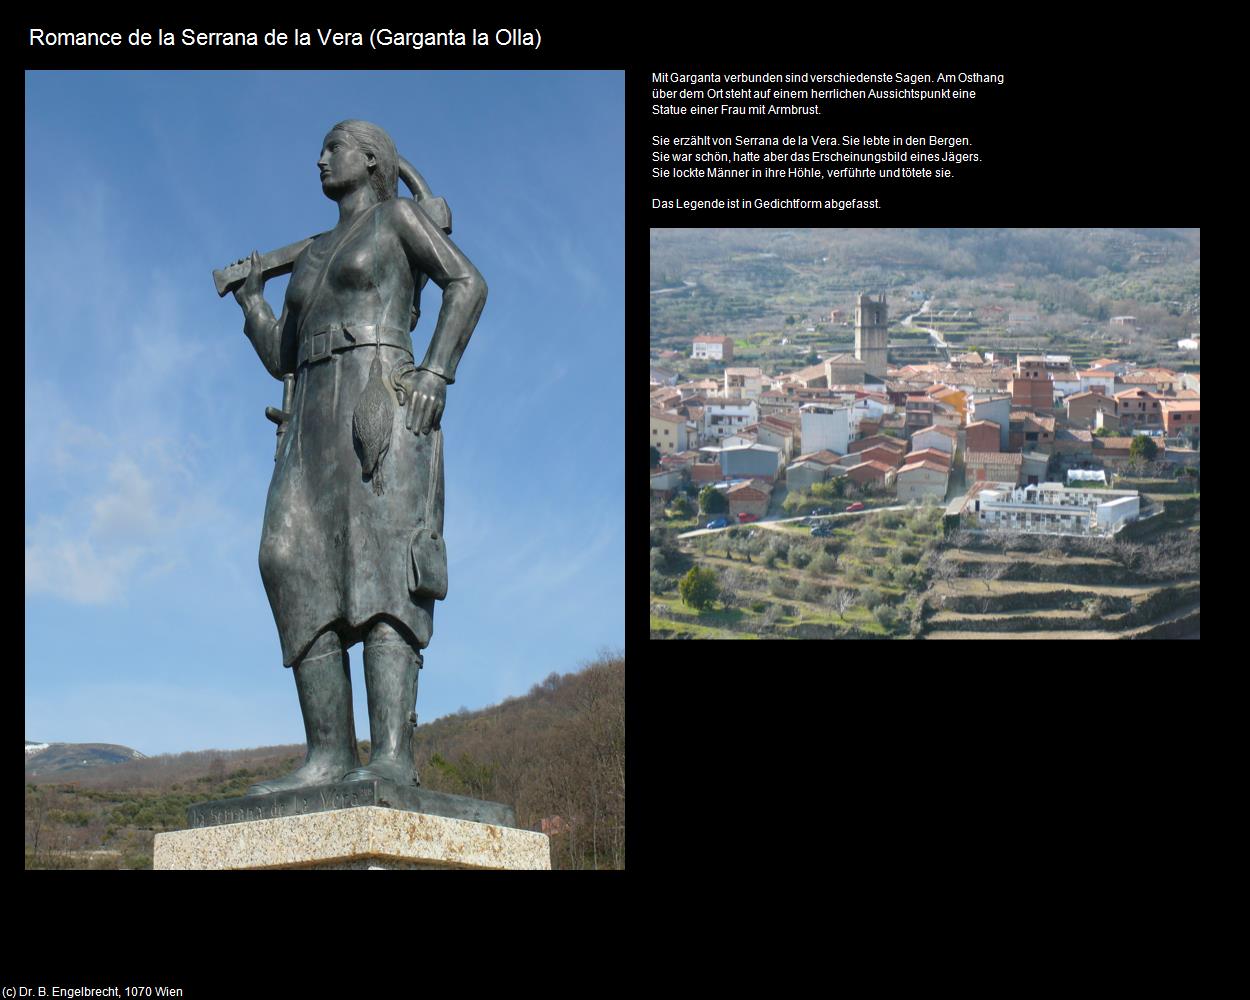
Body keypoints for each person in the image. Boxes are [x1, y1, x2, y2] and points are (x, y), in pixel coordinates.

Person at [230, 120, 486, 792]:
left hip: (381, 393)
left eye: (332, 147)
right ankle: (329, 756)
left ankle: (393, 757)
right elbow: (281, 355)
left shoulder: (398, 218)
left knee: (380, 567)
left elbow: (466, 285)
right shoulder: (312, 253)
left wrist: (435, 372)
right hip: (310, 410)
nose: (319, 159)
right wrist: (256, 303)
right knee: (285, 557)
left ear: (371, 159)